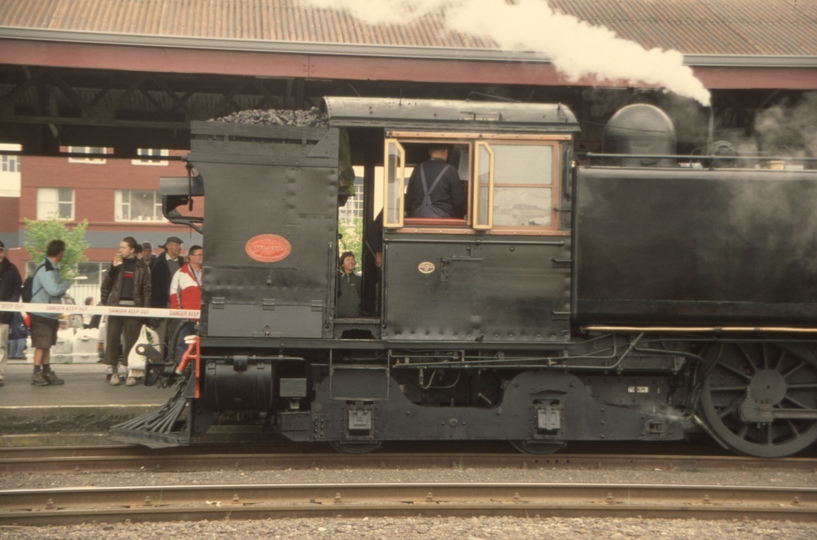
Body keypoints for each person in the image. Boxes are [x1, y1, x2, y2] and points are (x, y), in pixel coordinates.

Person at [100, 236, 151, 387]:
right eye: (120, 247)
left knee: (131, 340)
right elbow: (107, 284)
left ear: (132, 250)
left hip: (134, 307)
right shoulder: (117, 264)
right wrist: (112, 270)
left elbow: (147, 290)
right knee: (113, 338)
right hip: (116, 305)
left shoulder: (142, 267)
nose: (120, 250)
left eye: (123, 247)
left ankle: (131, 372)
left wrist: (145, 312)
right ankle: (113, 371)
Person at [29, 239, 71, 386]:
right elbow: (54, 290)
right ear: (60, 253)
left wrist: (58, 287)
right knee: (41, 344)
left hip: (49, 313)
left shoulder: (52, 268)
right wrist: (65, 284)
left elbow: (54, 291)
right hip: (42, 313)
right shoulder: (47, 269)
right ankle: (36, 373)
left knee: (46, 344)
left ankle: (46, 371)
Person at [404, 144, 466, 219]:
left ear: (429, 152)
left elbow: (409, 198)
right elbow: (458, 201)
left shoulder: (417, 169)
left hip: (418, 217)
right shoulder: (450, 170)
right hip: (443, 219)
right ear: (445, 152)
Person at [169, 245, 202, 363]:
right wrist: (178, 311)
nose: (202, 257)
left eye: (203, 255)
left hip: (204, 317)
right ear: (190, 257)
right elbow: (174, 292)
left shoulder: (208, 272)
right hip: (185, 317)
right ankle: (182, 368)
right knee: (182, 343)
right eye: (199, 254)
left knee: (203, 344)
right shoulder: (180, 273)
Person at [150, 236, 185, 347]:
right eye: (176, 245)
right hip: (163, 304)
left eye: (180, 245)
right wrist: (155, 308)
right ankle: (159, 360)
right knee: (160, 335)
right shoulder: (158, 263)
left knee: (176, 334)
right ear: (168, 246)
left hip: (179, 304)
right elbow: (154, 287)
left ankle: (174, 360)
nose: (179, 248)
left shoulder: (182, 263)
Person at [0, 240, 23, 387]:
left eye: (1, 250)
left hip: (3, 314)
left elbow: (17, 286)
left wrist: (12, 303)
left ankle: (0, 375)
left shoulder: (11, 268)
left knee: (1, 346)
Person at [336, 251, 362, 318]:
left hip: (356, 315)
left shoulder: (361, 278)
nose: (351, 261)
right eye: (348, 259)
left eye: (352, 259)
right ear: (342, 264)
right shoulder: (338, 280)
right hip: (340, 315)